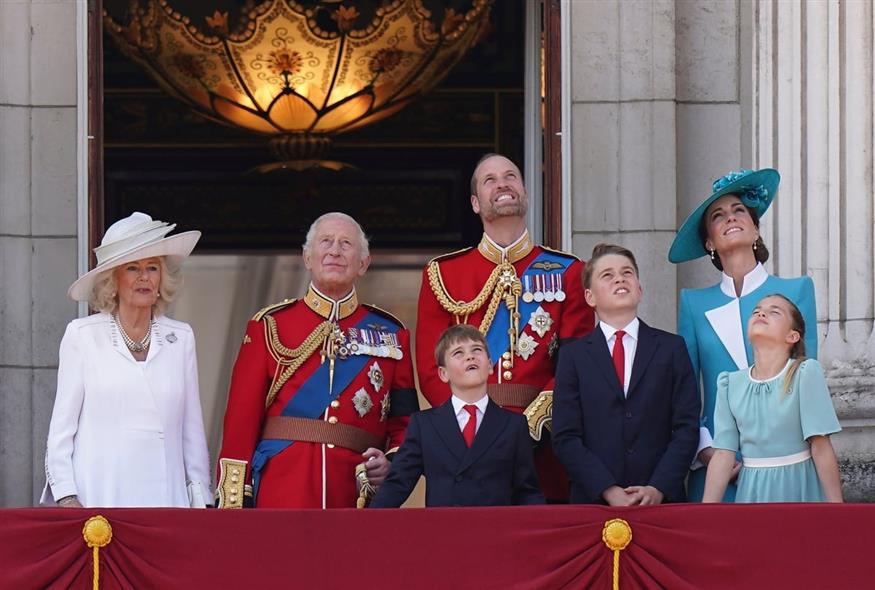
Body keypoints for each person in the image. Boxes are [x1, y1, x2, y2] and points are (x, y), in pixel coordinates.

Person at [415, 153, 595, 501]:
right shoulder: (443, 274)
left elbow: (574, 367)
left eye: (511, 176)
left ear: (525, 193)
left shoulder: (569, 271)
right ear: (475, 203)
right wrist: (470, 426)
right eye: (490, 180)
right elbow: (430, 369)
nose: (502, 184)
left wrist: (527, 429)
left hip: (542, 446)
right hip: (465, 447)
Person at [216, 212, 419, 509]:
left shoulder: (391, 334)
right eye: (326, 241)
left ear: (364, 263)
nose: (335, 251)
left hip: (353, 496)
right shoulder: (269, 326)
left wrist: (390, 464)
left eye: (346, 244)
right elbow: (240, 423)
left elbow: (405, 424)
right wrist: (234, 504)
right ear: (307, 257)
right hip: (280, 491)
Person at [41, 212, 210, 508]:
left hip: (167, 502)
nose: (144, 277)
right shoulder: (83, 336)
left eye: (152, 267)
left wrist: (201, 501)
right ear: (113, 279)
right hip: (100, 499)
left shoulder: (181, 338)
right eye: (133, 268)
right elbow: (61, 431)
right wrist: (67, 498)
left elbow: (192, 430)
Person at [668, 168, 818, 501]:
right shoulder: (693, 304)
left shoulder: (797, 290)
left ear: (755, 229)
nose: (730, 217)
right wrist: (707, 450)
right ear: (709, 242)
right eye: (718, 216)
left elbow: (807, 380)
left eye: (739, 210)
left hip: (785, 465)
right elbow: (684, 393)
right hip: (716, 471)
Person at [552, 244, 700, 505]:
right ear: (590, 297)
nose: (619, 279)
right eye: (607, 275)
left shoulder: (671, 348)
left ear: (639, 289)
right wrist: (607, 489)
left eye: (627, 272)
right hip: (594, 502)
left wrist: (657, 488)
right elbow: (566, 436)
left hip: (662, 501)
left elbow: (686, 427)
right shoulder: (573, 357)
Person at [371, 325, 544, 508]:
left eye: (477, 350)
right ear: (443, 373)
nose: (470, 356)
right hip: (445, 525)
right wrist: (368, 521)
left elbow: (527, 492)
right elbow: (397, 485)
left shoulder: (514, 424)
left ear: (490, 365)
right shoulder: (424, 425)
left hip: (496, 525)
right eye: (458, 353)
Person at [702, 295, 842, 503]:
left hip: (799, 488)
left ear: (792, 336)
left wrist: (837, 509)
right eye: (756, 311)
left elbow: (821, 446)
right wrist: (706, 512)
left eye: (774, 312)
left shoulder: (805, 373)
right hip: (751, 492)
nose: (761, 313)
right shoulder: (729, 384)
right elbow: (723, 454)